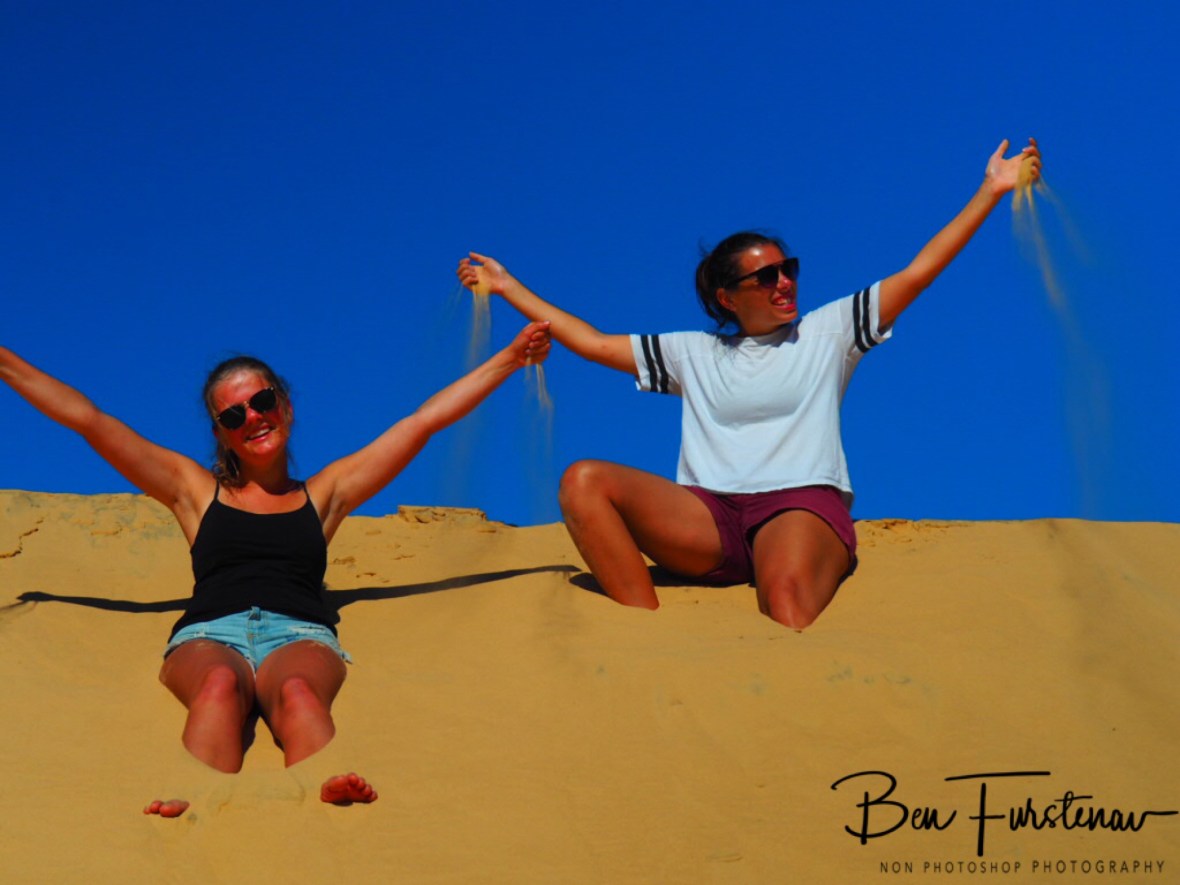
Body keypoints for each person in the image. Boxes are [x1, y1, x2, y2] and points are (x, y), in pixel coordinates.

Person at [458, 138, 1041, 631]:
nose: (784, 282)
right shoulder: (694, 352)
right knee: (583, 479)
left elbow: (917, 273)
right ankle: (641, 644)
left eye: (789, 269)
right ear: (728, 297)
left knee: (784, 601)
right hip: (708, 516)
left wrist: (990, 192)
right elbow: (589, 342)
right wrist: (507, 286)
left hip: (798, 502)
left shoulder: (829, 331)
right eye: (766, 276)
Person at [0, 320, 551, 816]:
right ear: (221, 433)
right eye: (233, 415)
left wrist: (509, 358)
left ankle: (325, 793)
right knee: (217, 685)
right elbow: (90, 421)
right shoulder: (194, 491)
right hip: (208, 635)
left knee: (299, 696)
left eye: (262, 401)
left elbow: (422, 423)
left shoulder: (327, 494)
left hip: (302, 634)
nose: (253, 419)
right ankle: (194, 800)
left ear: (285, 404)